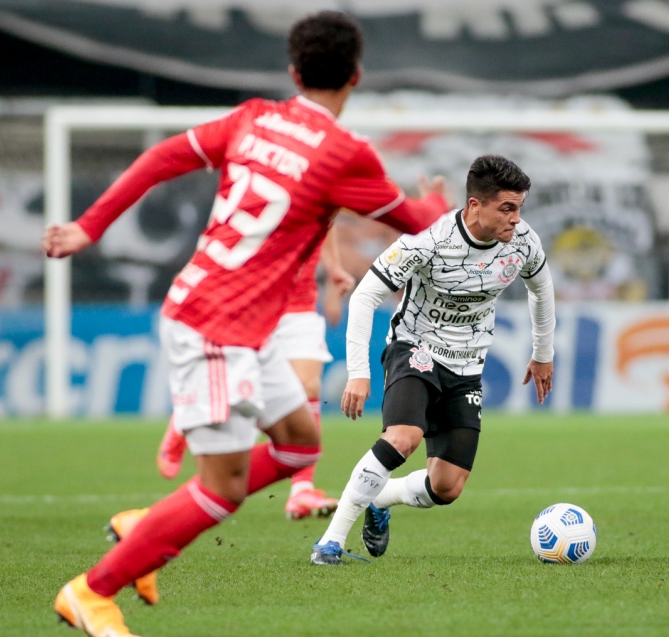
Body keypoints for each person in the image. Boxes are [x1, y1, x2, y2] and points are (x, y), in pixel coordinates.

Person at [44, 11, 450, 636]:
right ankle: (92, 591)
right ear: (356, 77)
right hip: (212, 327)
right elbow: (419, 223)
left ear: (293, 72)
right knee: (225, 487)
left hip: (233, 321)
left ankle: (145, 531)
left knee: (298, 444)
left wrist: (88, 227)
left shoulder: (252, 118)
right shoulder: (346, 155)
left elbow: (160, 158)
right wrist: (440, 205)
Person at [309, 154, 555, 565]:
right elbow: (366, 294)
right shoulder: (428, 241)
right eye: (507, 208)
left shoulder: (524, 243)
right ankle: (331, 541)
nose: (516, 219)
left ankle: (380, 499)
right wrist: (358, 372)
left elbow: (542, 289)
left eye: (519, 208)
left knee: (447, 487)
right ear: (475, 205)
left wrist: (543, 354)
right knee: (403, 437)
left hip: (468, 365)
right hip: (416, 349)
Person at [155, 229, 355, 521]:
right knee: (249, 392)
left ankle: (302, 491)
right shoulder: (265, 191)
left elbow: (329, 220)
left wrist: (334, 272)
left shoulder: (325, 188)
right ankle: (183, 418)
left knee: (308, 386)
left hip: (300, 302)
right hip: (255, 299)